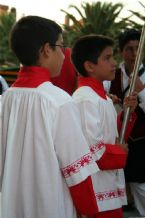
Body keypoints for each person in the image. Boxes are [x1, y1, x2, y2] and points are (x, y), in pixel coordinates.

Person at [0, 16, 100, 218]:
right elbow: (77, 173)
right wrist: (90, 212)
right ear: (46, 49)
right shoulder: (59, 102)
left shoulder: (5, 99)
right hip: (50, 208)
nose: (64, 56)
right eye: (61, 47)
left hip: (10, 207)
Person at [71, 34, 137, 218]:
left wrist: (126, 113)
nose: (114, 63)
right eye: (107, 58)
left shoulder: (103, 98)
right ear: (89, 66)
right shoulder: (85, 99)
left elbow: (113, 135)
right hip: (95, 190)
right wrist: (119, 151)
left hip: (107, 185)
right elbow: (91, 151)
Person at [105, 29, 145, 216]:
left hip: (141, 142)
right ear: (121, 52)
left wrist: (142, 92)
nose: (134, 53)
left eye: (138, 48)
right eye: (129, 49)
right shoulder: (112, 74)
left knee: (141, 187)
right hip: (118, 141)